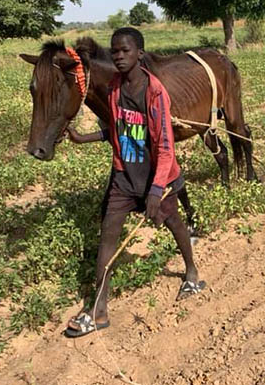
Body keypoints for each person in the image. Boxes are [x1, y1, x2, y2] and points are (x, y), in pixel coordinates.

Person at [64, 27, 204, 338]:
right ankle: (99, 309)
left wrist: (156, 191)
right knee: (108, 235)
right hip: (123, 177)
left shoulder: (154, 93)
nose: (119, 55)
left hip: (156, 177)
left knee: (175, 225)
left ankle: (191, 272)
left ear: (139, 53)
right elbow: (117, 130)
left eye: (125, 50)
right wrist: (82, 137)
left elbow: (166, 145)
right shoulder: (114, 88)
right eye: (114, 51)